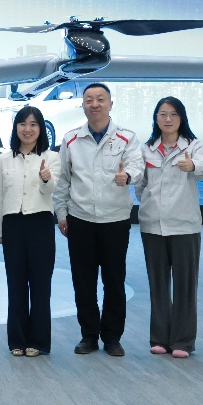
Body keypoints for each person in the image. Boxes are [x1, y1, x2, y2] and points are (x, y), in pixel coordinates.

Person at [52, 82, 143, 357]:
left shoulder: (127, 137)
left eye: (100, 99)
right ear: (82, 105)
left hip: (115, 219)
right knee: (84, 281)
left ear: (110, 103)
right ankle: (89, 335)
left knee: (114, 281)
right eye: (89, 99)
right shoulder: (71, 139)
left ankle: (113, 337)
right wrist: (61, 214)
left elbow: (137, 166)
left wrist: (127, 176)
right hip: (80, 219)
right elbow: (63, 181)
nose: (95, 104)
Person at [135, 97, 203, 358]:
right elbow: (141, 186)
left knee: (185, 286)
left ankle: (183, 341)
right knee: (158, 284)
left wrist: (193, 165)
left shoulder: (193, 145)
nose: (168, 119)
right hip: (153, 225)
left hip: (184, 225)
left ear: (182, 118)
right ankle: (159, 338)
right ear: (156, 118)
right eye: (162, 114)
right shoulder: (147, 148)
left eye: (173, 114)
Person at [0, 106, 58, 357]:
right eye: (22, 124)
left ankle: (38, 341)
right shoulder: (4, 158)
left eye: (33, 124)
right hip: (12, 224)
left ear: (40, 129)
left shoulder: (51, 157)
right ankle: (17, 340)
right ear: (16, 128)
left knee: (41, 284)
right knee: (16, 283)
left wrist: (45, 178)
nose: (27, 129)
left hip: (40, 223)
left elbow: (51, 190)